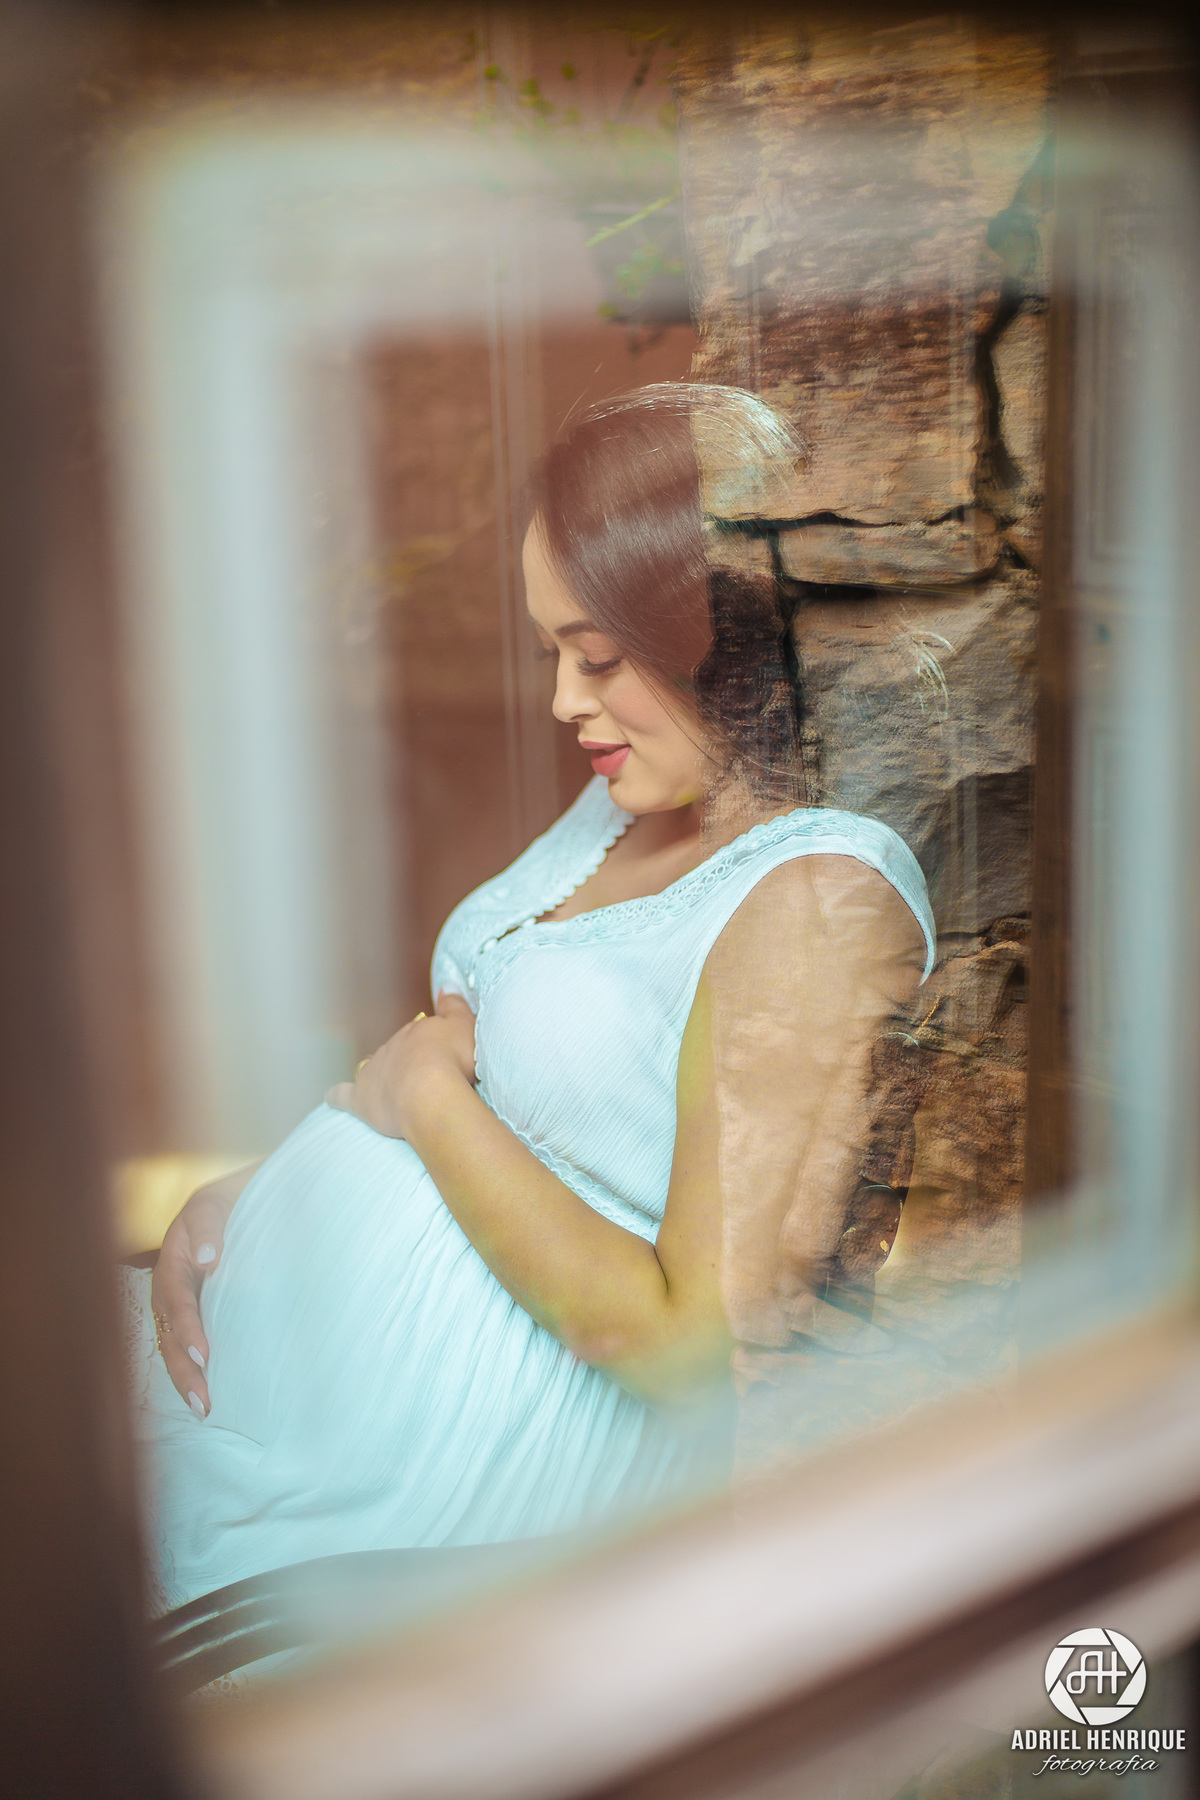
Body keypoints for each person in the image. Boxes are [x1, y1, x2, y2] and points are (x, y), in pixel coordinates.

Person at [128, 383, 935, 1612]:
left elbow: (688, 1348)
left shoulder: (818, 897)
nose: (564, 699)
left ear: (716, 632)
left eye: (598, 658)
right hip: (281, 1420)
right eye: (552, 651)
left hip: (427, 1510)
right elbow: (520, 1100)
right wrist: (255, 1200)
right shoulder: (640, 797)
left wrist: (425, 1101)